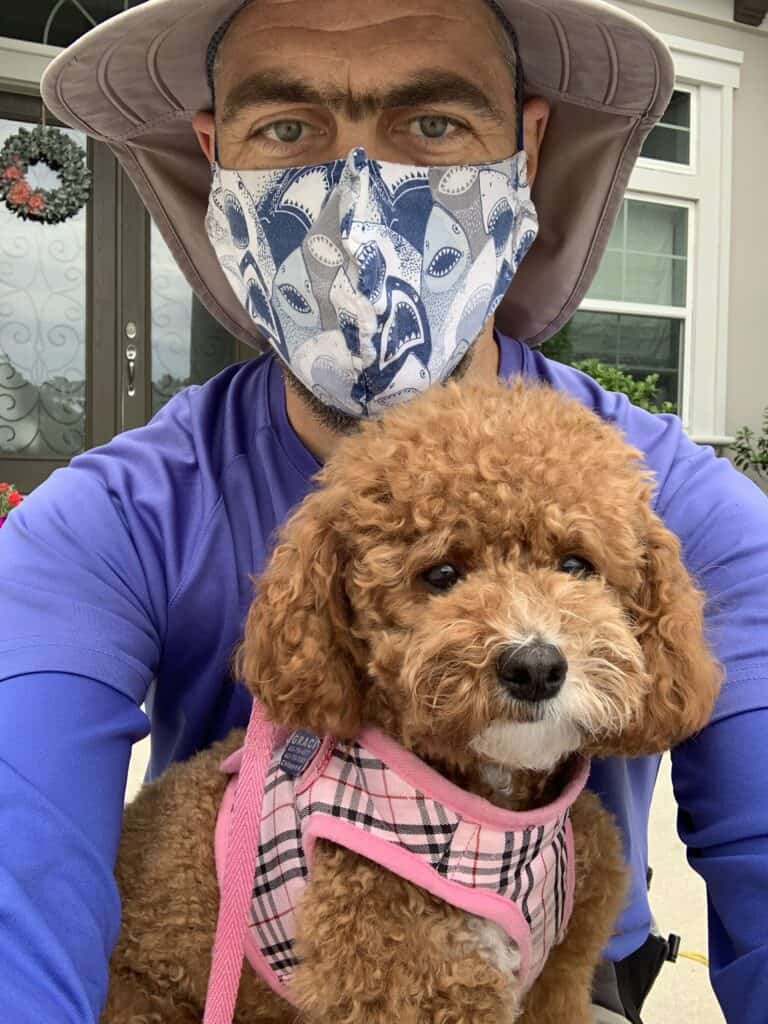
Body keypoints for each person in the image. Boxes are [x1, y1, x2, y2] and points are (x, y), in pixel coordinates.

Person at [0, 0, 766, 1021]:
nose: (354, 199)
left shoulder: (679, 501)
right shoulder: (106, 518)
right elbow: (23, 878)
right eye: (289, 129)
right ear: (215, 159)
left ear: (527, 150)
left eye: (432, 123)